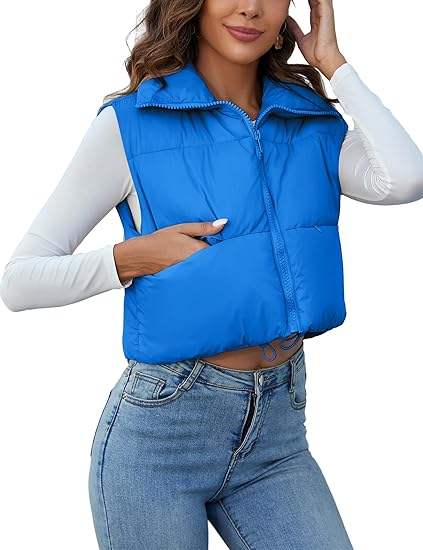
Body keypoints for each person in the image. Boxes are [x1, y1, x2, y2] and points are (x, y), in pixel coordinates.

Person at [1, 1, 422, 548]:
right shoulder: (130, 124)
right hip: (162, 438)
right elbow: (19, 281)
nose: (250, 7)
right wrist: (132, 258)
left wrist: (334, 63)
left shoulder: (311, 121)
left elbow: (405, 178)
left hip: (278, 434)